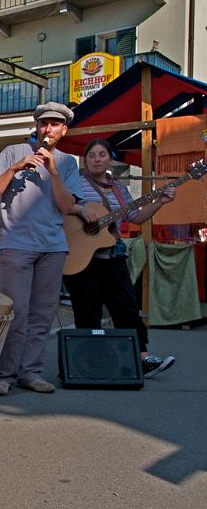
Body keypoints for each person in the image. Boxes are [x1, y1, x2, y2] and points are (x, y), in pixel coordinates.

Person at [0, 101, 82, 396]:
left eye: (54, 124)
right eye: (43, 123)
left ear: (63, 130)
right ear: (37, 127)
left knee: (42, 314)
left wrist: (53, 172)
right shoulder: (13, 152)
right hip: (16, 245)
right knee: (17, 313)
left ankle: (31, 372)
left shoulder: (67, 163)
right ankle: (4, 374)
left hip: (53, 247)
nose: (47, 129)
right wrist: (15, 168)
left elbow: (66, 207)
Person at [64, 138, 175, 378]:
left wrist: (160, 202)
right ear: (85, 159)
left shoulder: (119, 188)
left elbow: (135, 217)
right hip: (81, 256)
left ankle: (142, 358)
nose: (96, 159)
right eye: (91, 155)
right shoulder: (76, 183)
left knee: (127, 307)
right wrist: (83, 210)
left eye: (101, 154)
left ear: (110, 158)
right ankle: (88, 362)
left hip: (113, 254)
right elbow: (63, 206)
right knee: (87, 310)